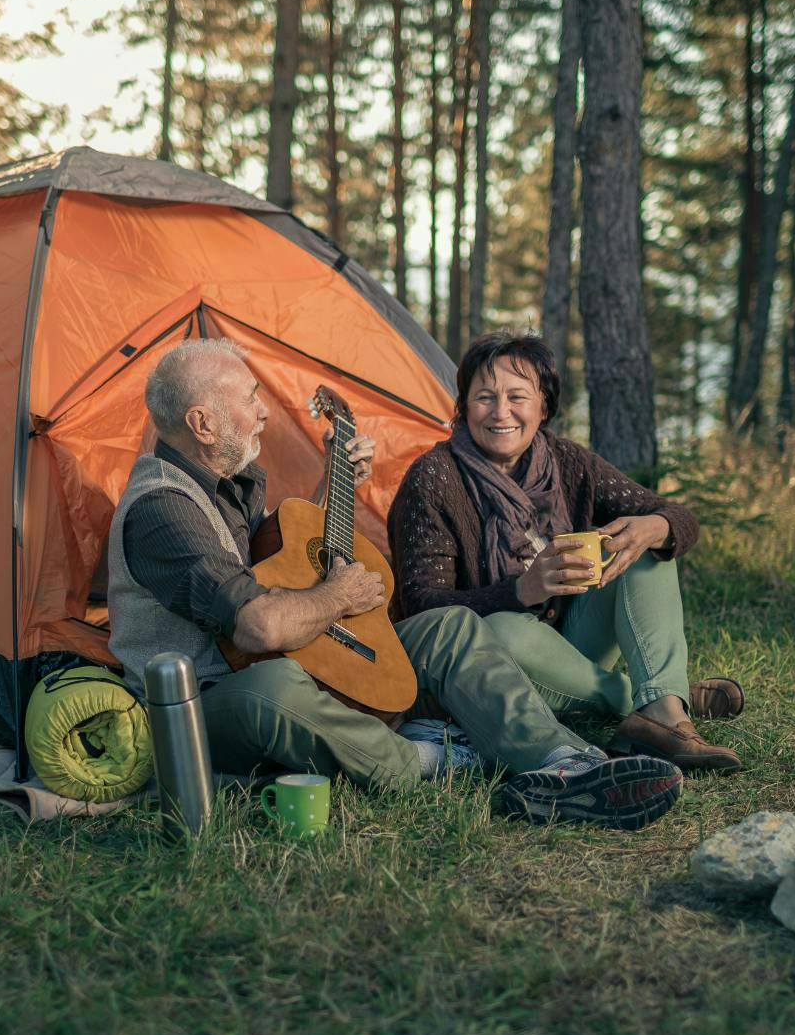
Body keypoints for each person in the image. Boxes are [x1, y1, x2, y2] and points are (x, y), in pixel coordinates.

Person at [108, 337, 685, 828]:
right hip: (208, 697)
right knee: (278, 690)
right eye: (250, 400)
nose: (263, 414)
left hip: (286, 653)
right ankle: (430, 761)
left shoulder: (228, 483)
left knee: (449, 627)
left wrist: (332, 486)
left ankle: (565, 761)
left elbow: (276, 565)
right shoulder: (165, 509)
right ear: (201, 423)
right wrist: (339, 595)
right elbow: (257, 625)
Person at [387, 330, 744, 774]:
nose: (501, 412)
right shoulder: (433, 479)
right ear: (463, 406)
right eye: (484, 397)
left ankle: (664, 713)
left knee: (646, 550)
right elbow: (424, 608)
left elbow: (676, 517)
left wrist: (658, 525)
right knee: (503, 629)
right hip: (489, 672)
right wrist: (521, 590)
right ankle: (652, 699)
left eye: (518, 396)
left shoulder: (569, 463)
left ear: (544, 406)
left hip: (570, 650)